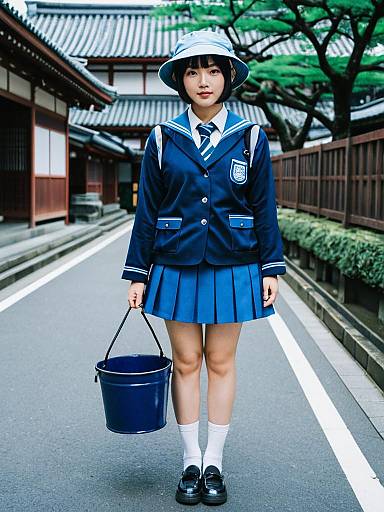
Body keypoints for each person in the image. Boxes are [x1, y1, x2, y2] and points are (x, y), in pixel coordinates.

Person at [121, 29, 286, 506]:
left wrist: (270, 267)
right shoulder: (162, 138)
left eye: (213, 70)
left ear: (229, 75)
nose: (203, 80)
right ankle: (190, 461)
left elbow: (264, 207)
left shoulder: (251, 136)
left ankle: (215, 461)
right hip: (174, 261)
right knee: (187, 362)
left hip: (236, 261)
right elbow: (147, 210)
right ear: (181, 80)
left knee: (221, 361)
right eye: (192, 71)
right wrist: (137, 272)